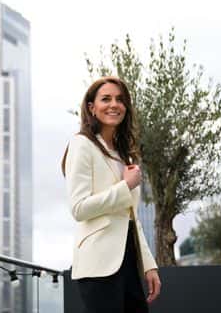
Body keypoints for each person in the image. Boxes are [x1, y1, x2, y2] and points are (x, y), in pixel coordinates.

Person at [61, 76, 161, 312]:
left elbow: (131, 218)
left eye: (120, 99)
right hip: (98, 263)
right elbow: (79, 208)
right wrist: (125, 187)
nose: (114, 104)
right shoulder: (81, 144)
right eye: (106, 99)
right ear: (91, 107)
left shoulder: (123, 155)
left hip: (128, 261)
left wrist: (149, 265)